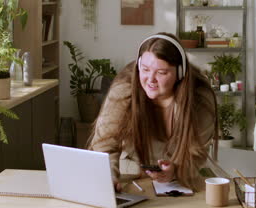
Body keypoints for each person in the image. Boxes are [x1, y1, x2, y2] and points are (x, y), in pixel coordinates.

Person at [88, 32, 218, 191]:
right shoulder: (124, 89)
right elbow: (104, 145)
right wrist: (109, 177)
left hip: (181, 178)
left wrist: (176, 170)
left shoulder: (200, 98)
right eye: (145, 69)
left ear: (180, 72)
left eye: (161, 73)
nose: (150, 79)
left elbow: (197, 153)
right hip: (131, 173)